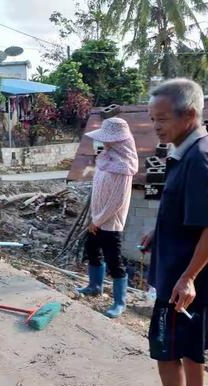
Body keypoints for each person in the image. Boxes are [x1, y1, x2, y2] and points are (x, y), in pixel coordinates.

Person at [135, 78, 208, 386]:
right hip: (184, 268)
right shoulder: (186, 150)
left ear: (191, 115)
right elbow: (188, 211)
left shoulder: (200, 158)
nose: (156, 127)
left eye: (163, 119)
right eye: (153, 119)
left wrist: (188, 278)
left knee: (165, 347)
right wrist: (159, 231)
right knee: (188, 342)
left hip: (182, 279)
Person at [77, 117, 138, 318]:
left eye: (107, 140)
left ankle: (119, 302)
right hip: (97, 219)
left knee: (115, 262)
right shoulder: (106, 158)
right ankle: (95, 286)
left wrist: (98, 221)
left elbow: (116, 201)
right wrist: (94, 218)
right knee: (92, 250)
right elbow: (99, 191)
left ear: (118, 141)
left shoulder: (124, 167)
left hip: (110, 223)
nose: (104, 143)